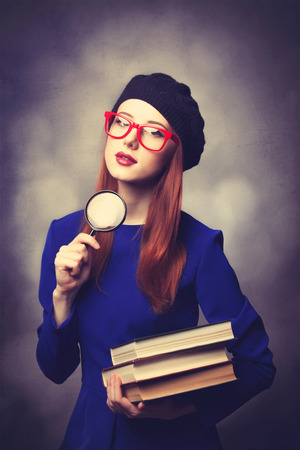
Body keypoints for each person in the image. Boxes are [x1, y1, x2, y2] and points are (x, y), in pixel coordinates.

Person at [36, 73, 276, 450]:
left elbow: (258, 364)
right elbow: (54, 369)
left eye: (152, 132)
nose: (130, 138)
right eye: (121, 121)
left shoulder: (199, 245)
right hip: (90, 436)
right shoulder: (64, 234)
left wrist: (181, 408)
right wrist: (63, 297)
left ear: (173, 153)